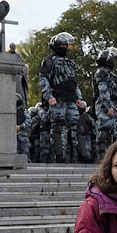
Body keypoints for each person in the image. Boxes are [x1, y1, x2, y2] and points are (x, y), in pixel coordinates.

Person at [39, 32, 83, 163]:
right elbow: (43, 79)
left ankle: (77, 157)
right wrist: (49, 96)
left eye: (66, 45)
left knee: (76, 127)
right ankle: (59, 157)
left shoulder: (70, 63)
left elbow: (74, 82)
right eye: (62, 45)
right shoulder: (49, 62)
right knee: (58, 127)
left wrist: (78, 97)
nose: (65, 47)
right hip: (57, 99)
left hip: (71, 100)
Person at [93, 47, 117, 161]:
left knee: (113, 132)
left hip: (113, 103)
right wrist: (108, 106)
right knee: (104, 128)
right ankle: (101, 157)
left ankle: (111, 157)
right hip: (104, 104)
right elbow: (103, 90)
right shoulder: (102, 72)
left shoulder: (112, 74)